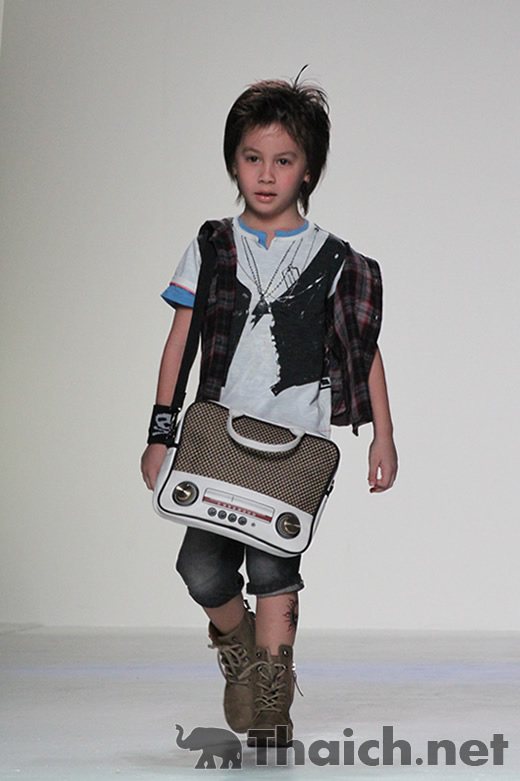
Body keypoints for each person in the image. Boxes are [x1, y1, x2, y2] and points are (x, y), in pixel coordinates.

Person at [141, 72, 398, 747]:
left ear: (308, 169)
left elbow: (363, 350)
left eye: (283, 160)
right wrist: (160, 431)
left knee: (274, 567)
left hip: (296, 444)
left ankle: (271, 698)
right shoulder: (212, 246)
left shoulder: (336, 260)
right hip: (216, 435)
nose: (265, 173)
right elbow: (180, 341)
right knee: (200, 568)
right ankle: (243, 650)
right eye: (252, 157)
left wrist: (383, 434)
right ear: (234, 160)